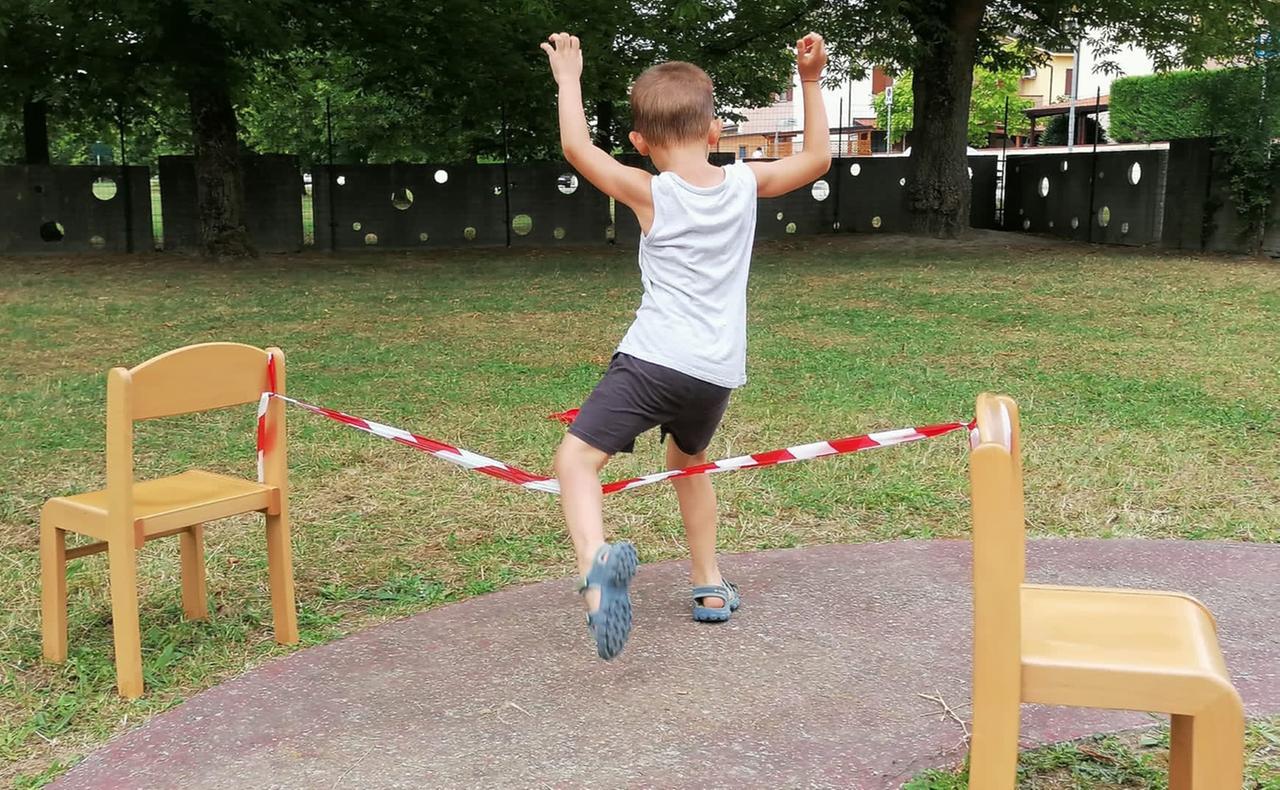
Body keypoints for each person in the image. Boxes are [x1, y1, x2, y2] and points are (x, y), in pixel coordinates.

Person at [540, 31, 830, 660]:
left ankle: (598, 575)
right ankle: (709, 586)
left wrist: (569, 79)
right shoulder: (745, 184)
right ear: (718, 131)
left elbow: (575, 147)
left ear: (640, 144)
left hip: (651, 360)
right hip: (715, 372)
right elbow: (815, 161)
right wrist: (809, 80)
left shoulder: (650, 191)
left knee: (576, 463)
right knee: (687, 464)